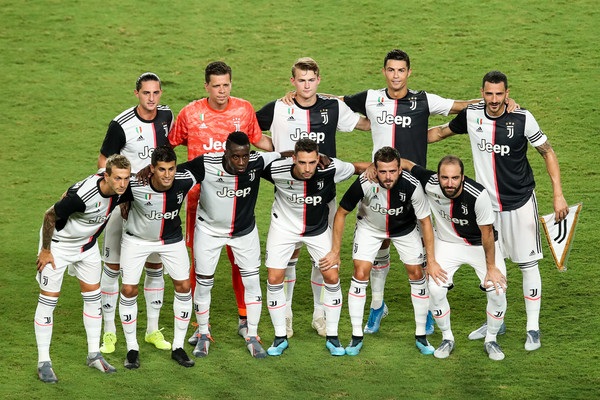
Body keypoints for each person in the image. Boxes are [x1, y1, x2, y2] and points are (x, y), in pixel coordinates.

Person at [428, 70, 569, 351]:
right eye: (489, 94)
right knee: (492, 268)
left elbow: (547, 152)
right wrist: (403, 138)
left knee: (527, 264)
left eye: (499, 94)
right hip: (486, 209)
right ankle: (497, 322)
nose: (494, 100)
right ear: (481, 92)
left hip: (519, 204)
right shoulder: (471, 115)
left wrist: (558, 194)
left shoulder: (522, 118)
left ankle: (533, 328)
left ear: (507, 93)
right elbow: (440, 133)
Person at [256, 57, 370, 338]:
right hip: (288, 192)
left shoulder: (333, 107)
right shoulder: (279, 108)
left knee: (325, 260)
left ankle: (320, 314)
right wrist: (275, 149)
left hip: (324, 195)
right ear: (292, 81)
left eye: (311, 80)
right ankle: (287, 313)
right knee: (290, 255)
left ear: (319, 80)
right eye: (301, 80)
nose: (306, 85)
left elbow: (365, 126)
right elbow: (249, 128)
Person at [169, 61, 272, 343]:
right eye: (216, 86)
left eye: (226, 84)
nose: (222, 91)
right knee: (199, 265)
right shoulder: (190, 113)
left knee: (241, 263)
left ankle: (244, 318)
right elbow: (169, 145)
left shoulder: (244, 109)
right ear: (206, 86)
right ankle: (199, 326)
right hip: (199, 202)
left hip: (238, 200)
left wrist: (296, 150)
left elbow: (258, 141)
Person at [320, 146, 438, 356]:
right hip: (370, 228)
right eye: (383, 171)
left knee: (417, 273)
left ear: (400, 169)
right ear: (375, 168)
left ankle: (421, 336)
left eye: (392, 171)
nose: (388, 176)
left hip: (404, 230)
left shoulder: (412, 186)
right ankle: (356, 337)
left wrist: (432, 259)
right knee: (360, 272)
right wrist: (335, 251)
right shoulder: (365, 182)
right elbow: (341, 213)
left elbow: (425, 222)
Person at [262, 139, 370, 356]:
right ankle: (280, 337)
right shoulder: (276, 168)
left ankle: (333, 337)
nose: (308, 168)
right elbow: (247, 163)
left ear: (318, 158)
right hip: (283, 229)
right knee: (274, 278)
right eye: (302, 162)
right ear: (293, 158)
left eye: (312, 162)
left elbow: (357, 168)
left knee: (331, 276)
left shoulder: (330, 168)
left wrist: (378, 170)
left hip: (318, 230)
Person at [181, 132, 281, 359]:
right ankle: (203, 333)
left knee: (253, 282)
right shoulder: (206, 163)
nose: (241, 162)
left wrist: (316, 156)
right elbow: (174, 173)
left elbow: (284, 156)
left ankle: (252, 335)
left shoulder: (257, 162)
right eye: (236, 157)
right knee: (204, 284)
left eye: (245, 156)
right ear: (226, 153)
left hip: (244, 233)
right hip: (209, 233)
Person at [34, 155, 131, 383]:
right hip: (58, 246)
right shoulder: (82, 198)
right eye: (117, 178)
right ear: (106, 176)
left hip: (87, 247)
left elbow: (144, 179)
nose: (122, 184)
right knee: (49, 301)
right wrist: (46, 251)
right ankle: (43, 361)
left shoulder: (123, 188)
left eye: (126, 178)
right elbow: (50, 216)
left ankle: (94, 355)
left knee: (93, 298)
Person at [402, 155, 508, 360]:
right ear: (438, 176)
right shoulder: (430, 182)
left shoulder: (478, 195)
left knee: (497, 289)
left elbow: (487, 233)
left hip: (479, 245)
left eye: (455, 178)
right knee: (434, 288)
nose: (449, 183)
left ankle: (491, 339)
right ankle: (447, 338)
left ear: (463, 177)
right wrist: (431, 262)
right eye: (444, 178)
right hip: (447, 244)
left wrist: (492, 267)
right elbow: (406, 164)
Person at [98, 72, 173, 354]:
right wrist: (118, 193)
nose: (151, 99)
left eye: (156, 93)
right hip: (124, 203)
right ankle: (109, 332)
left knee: (155, 266)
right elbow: (103, 163)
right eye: (146, 93)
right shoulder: (121, 124)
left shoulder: (167, 116)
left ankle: (152, 330)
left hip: (156, 205)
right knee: (113, 267)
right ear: (136, 93)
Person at [118, 146, 199, 369]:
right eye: (161, 169)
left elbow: (204, 163)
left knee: (184, 286)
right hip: (136, 241)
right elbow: (108, 181)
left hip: (171, 241)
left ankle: (178, 347)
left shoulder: (184, 180)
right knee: (128, 290)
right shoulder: (135, 184)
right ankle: (132, 348)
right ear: (152, 169)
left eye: (171, 169)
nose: (167, 175)